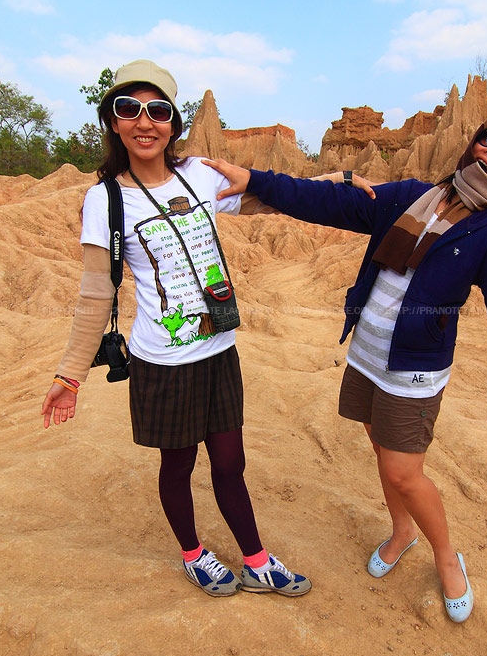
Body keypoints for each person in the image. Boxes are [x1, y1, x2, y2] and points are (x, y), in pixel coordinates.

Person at [203, 113, 487, 622]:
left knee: (403, 471)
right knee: (381, 448)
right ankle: (402, 531)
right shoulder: (412, 196)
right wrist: (257, 180)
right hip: (368, 355)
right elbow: (327, 203)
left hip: (414, 370)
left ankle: (447, 557)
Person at [41, 59, 310, 598]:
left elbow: (271, 198)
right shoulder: (105, 200)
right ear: (113, 121)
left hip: (219, 349)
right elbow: (96, 294)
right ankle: (193, 554)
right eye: (129, 109)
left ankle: (256, 561)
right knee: (179, 463)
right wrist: (70, 376)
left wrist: (342, 186)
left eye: (158, 110)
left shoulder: (200, 175)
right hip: (163, 361)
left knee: (230, 462)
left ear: (173, 122)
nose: (145, 122)